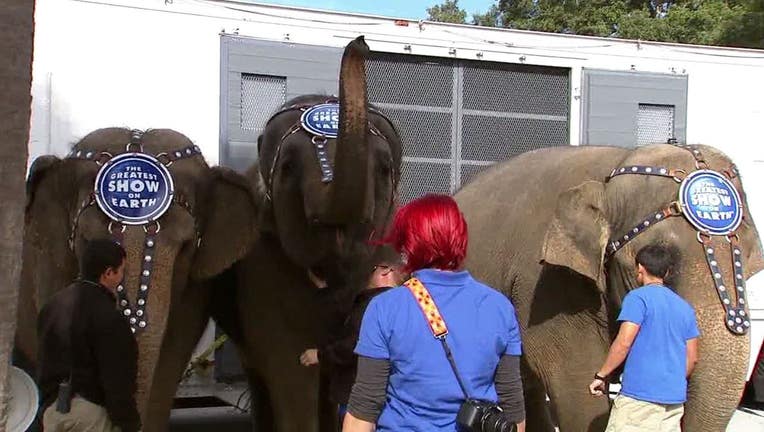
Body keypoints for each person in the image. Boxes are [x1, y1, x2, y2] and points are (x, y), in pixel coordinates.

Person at [343, 194, 526, 432]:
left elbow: (365, 407)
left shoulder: (384, 309)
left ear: (408, 245)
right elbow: (513, 409)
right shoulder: (500, 308)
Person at [589, 243, 699, 432]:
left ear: (640, 268)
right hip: (673, 403)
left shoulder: (637, 298)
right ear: (666, 273)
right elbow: (693, 357)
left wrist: (602, 375)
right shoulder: (684, 308)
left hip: (639, 399)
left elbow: (624, 342)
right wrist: (670, 382)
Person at [38, 239, 141, 432]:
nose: (122, 276)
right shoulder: (108, 316)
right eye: (122, 270)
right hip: (91, 413)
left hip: (52, 412)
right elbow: (117, 378)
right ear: (108, 273)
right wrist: (129, 422)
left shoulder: (51, 307)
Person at [299, 246, 405, 424]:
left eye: (371, 270)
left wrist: (319, 355)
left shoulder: (375, 305)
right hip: (390, 397)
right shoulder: (403, 305)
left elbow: (352, 344)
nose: (366, 278)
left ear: (385, 272)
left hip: (358, 397)